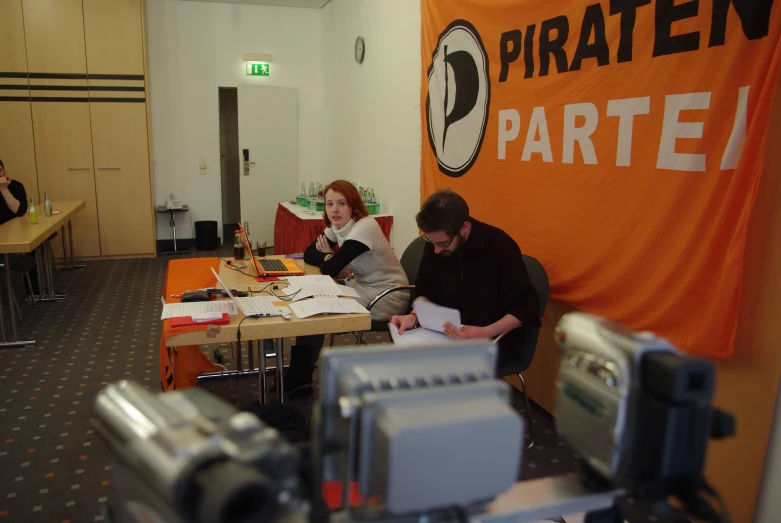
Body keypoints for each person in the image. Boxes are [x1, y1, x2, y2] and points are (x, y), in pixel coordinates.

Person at [282, 180, 410, 397]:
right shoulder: (337, 226)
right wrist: (330, 257)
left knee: (317, 308)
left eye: (341, 203)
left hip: (387, 295)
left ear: (353, 205)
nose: (334, 209)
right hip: (362, 287)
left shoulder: (365, 226)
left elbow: (329, 267)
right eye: (329, 204)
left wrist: (329, 258)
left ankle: (299, 377)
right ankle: (299, 373)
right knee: (311, 296)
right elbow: (309, 253)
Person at [390, 189, 540, 373]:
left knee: (430, 372)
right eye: (431, 242)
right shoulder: (436, 243)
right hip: (444, 335)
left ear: (464, 227)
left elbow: (526, 308)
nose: (436, 250)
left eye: (443, 244)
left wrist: (485, 332)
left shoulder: (500, 246)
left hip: (493, 339)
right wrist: (414, 316)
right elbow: (425, 291)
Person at [0, 159, 28, 225]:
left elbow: (20, 211)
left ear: (4, 171)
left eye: (0, 170)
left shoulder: (16, 186)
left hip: (16, 228)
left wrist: (3, 189)